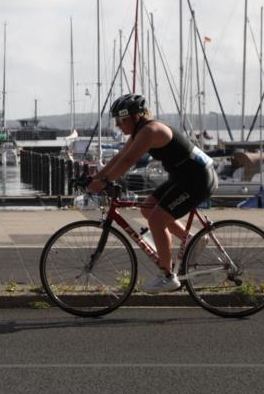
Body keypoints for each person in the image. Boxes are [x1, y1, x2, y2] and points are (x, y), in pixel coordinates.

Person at [88, 93, 218, 293]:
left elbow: (127, 162)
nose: (117, 126)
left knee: (156, 219)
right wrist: (96, 179)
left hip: (198, 178)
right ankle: (192, 239)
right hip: (183, 177)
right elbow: (118, 158)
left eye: (120, 120)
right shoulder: (139, 132)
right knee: (148, 208)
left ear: (135, 116)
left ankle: (167, 276)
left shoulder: (150, 130)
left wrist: (105, 181)